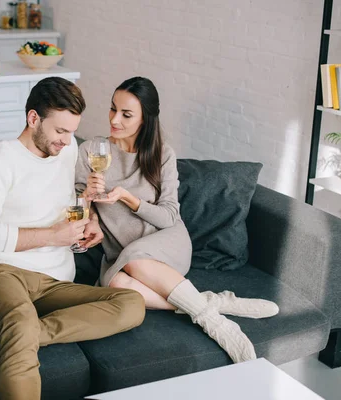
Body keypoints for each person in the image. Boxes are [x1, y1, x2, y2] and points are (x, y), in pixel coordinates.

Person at [0, 77, 146, 400]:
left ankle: (16, 333)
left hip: (54, 280)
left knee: (131, 304)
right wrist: (50, 235)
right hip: (1, 271)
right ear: (33, 119)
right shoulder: (1, 159)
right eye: (60, 131)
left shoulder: (68, 149)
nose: (66, 141)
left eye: (72, 131)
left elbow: (66, 201)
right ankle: (17, 330)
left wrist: (88, 219)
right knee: (18, 322)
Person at [75, 77, 278, 364]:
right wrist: (91, 209)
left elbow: (170, 216)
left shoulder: (161, 155)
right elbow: (79, 201)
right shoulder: (91, 151)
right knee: (117, 286)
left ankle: (216, 325)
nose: (114, 119)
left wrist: (128, 198)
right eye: (112, 109)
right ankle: (211, 302)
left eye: (126, 114)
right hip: (120, 252)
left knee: (134, 259)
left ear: (145, 119)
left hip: (165, 243)